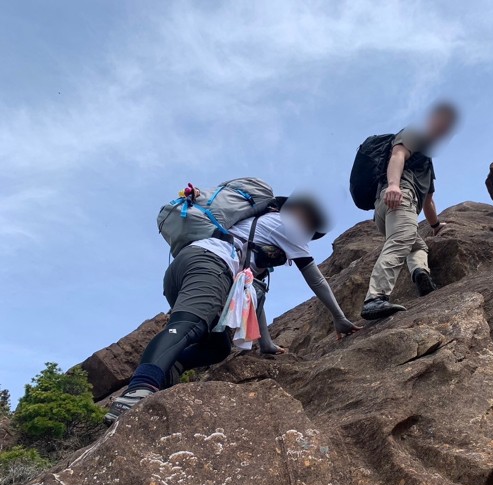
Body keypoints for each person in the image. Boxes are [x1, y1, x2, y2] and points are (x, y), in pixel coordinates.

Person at [104, 195, 360, 425]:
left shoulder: (258, 229)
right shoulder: (289, 225)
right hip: (211, 264)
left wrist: (266, 344)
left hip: (186, 268)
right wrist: (339, 318)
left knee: (217, 346)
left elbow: (254, 294)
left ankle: (170, 370)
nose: (308, 234)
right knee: (191, 324)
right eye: (312, 228)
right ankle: (138, 391)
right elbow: (316, 279)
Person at [361, 102, 458, 320]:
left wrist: (435, 226)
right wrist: (394, 185)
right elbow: (398, 155)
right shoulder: (414, 134)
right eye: (442, 122)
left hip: (387, 210)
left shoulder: (426, 161)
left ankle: (420, 273)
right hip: (398, 196)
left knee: (417, 245)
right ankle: (375, 297)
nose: (444, 130)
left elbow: (428, 201)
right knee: (401, 241)